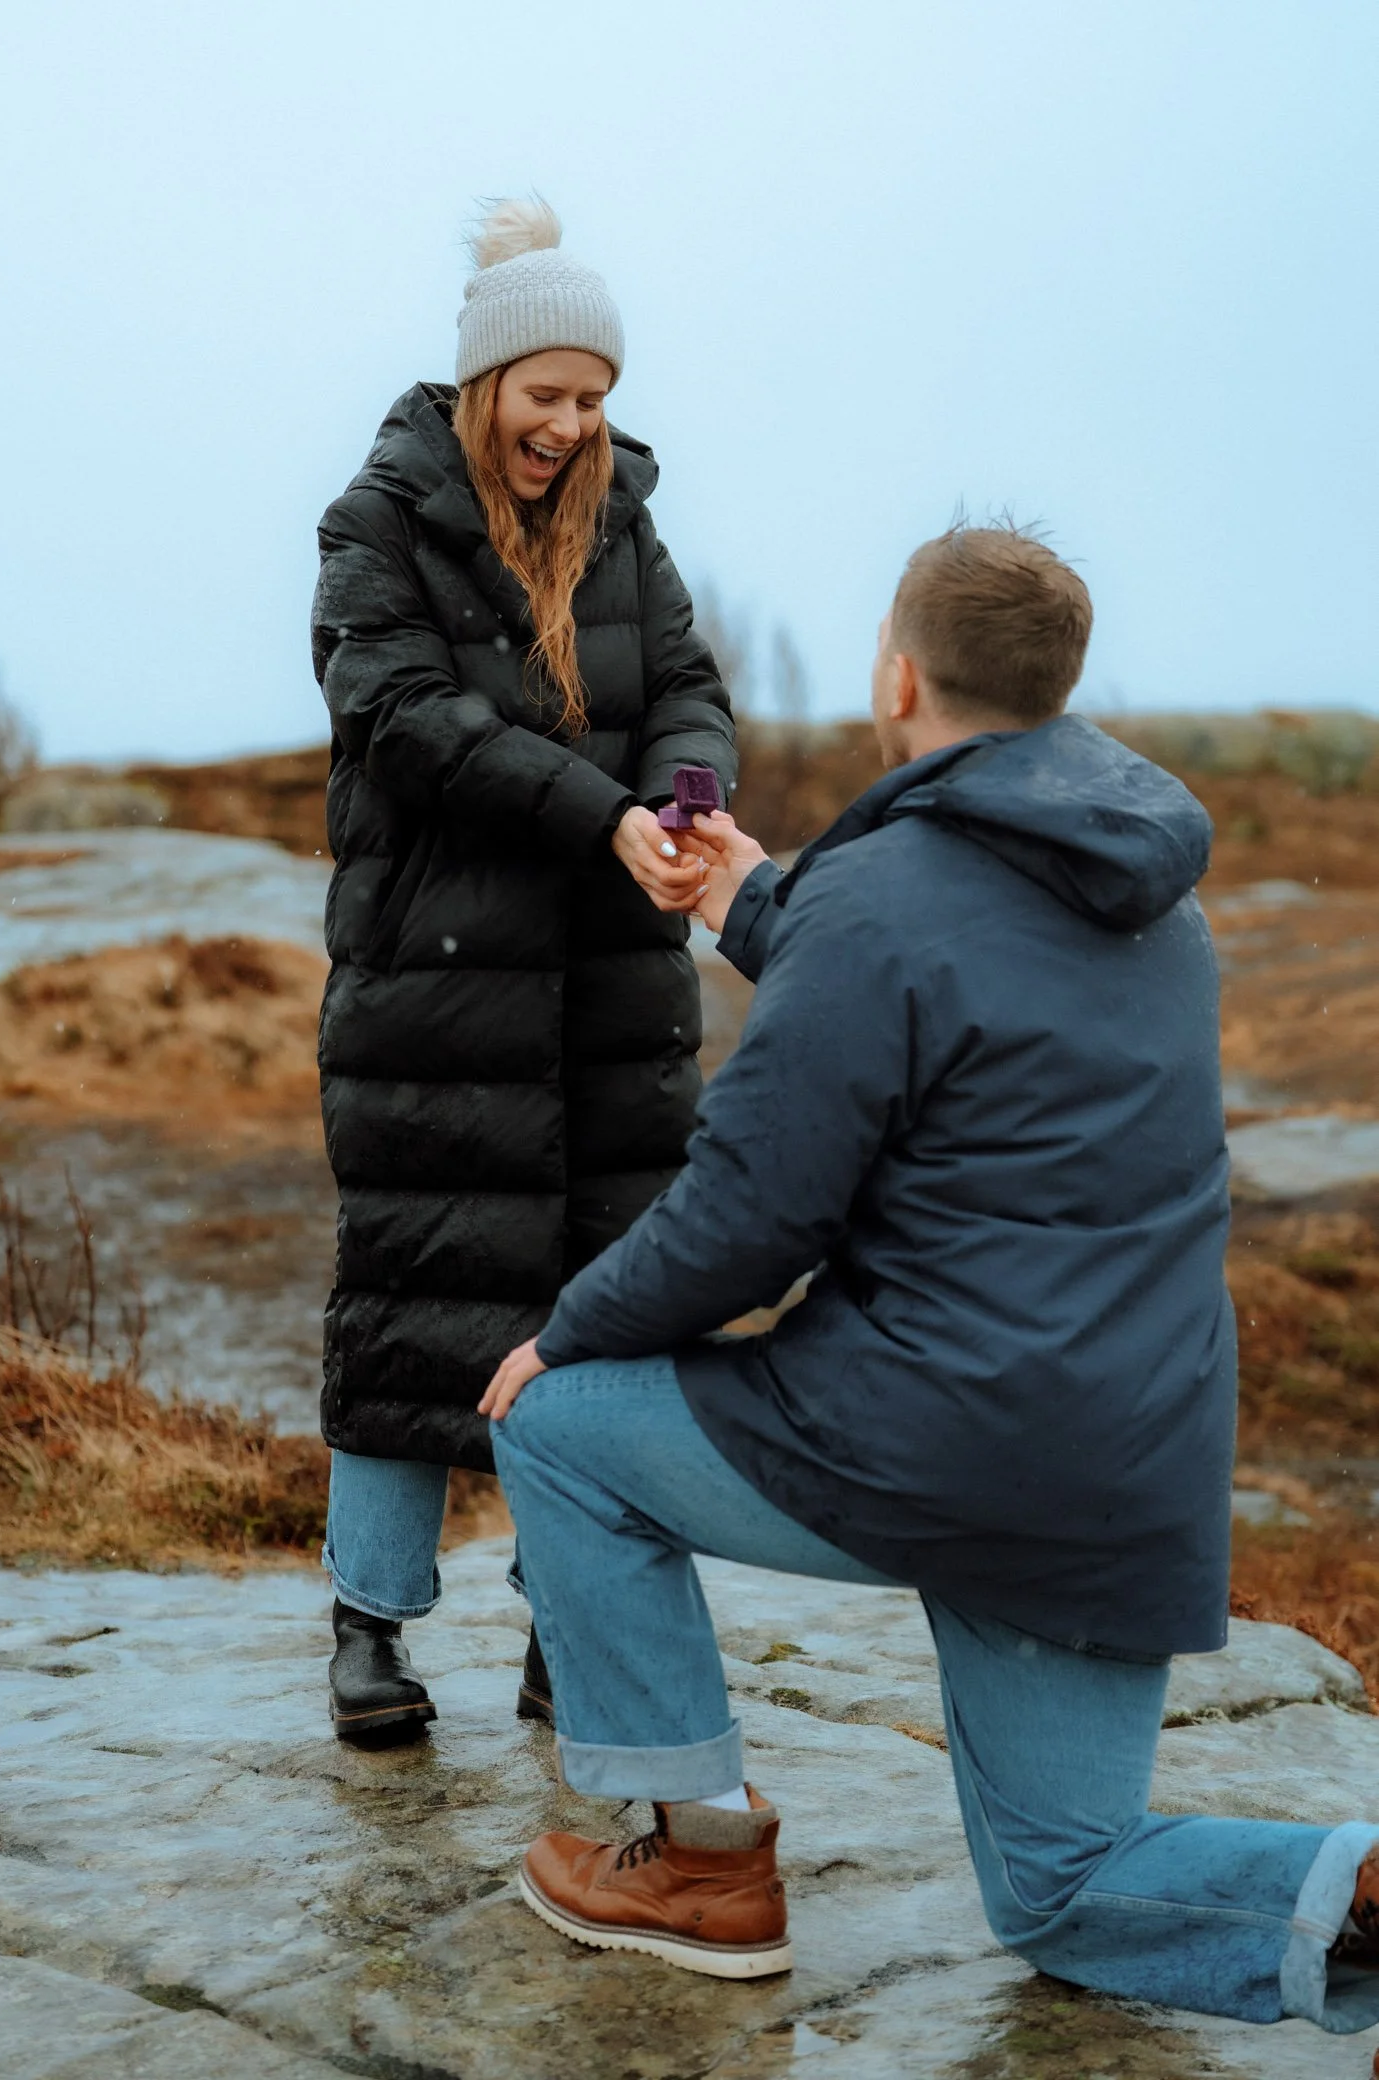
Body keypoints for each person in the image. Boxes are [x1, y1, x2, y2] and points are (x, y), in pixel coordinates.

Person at [479, 524, 1379, 2034]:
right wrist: (763, 904)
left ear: (896, 675)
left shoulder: (880, 900)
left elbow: (745, 1221)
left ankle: (699, 1864)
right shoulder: (1159, 899)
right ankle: (1351, 1885)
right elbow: (962, 986)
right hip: (1123, 1465)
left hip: (932, 1438)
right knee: (1063, 1891)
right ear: (1057, 686)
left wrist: (559, 1337)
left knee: (558, 1432)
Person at [311, 198, 735, 1741]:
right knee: (413, 1297)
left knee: (599, 1313)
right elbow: (411, 723)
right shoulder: (374, 524)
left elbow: (685, 681)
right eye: (548, 396)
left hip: (613, 994)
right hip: (434, 987)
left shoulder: (624, 521)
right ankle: (371, 1623)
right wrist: (605, 813)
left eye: (594, 399)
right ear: (485, 385)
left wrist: (686, 793)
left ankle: (574, 1623)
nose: (572, 427)